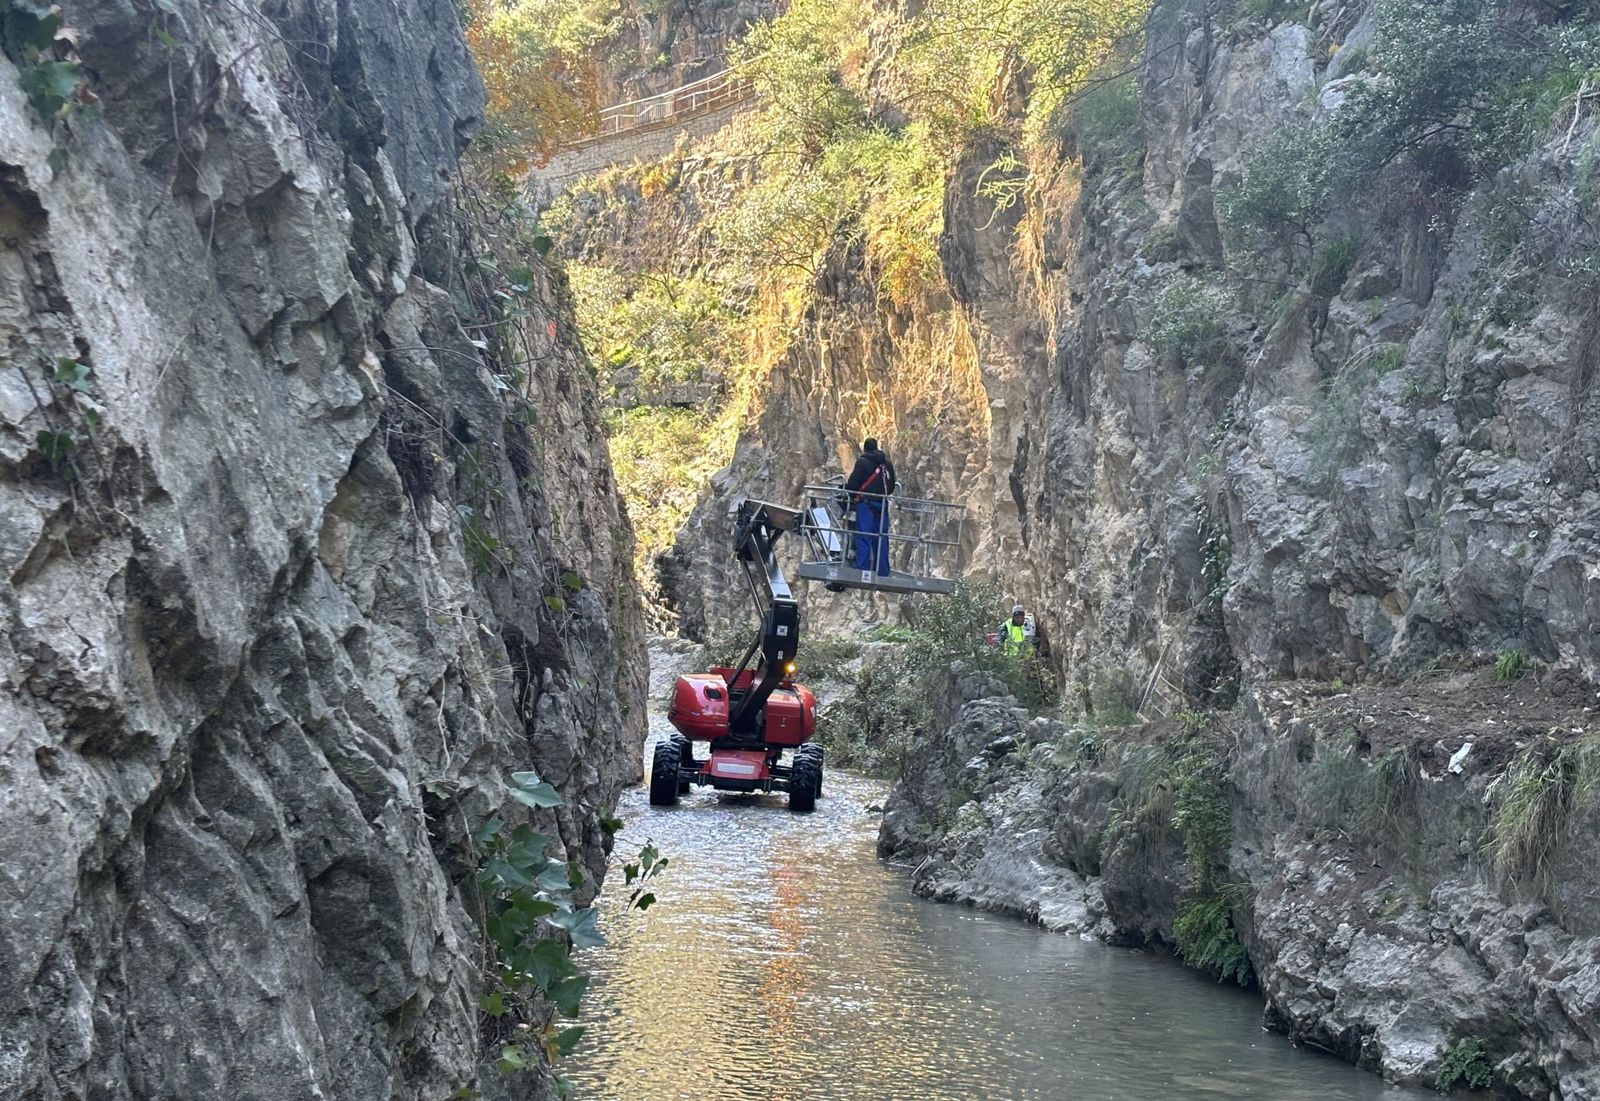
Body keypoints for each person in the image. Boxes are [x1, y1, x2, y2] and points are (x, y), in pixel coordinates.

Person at [845, 437, 895, 576]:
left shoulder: (862, 462)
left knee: (864, 535)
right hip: (882, 505)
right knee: (881, 537)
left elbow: (853, 484)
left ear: (865, 448)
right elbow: (890, 487)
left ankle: (863, 569)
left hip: (866, 504)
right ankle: (883, 571)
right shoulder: (887, 464)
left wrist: (850, 492)